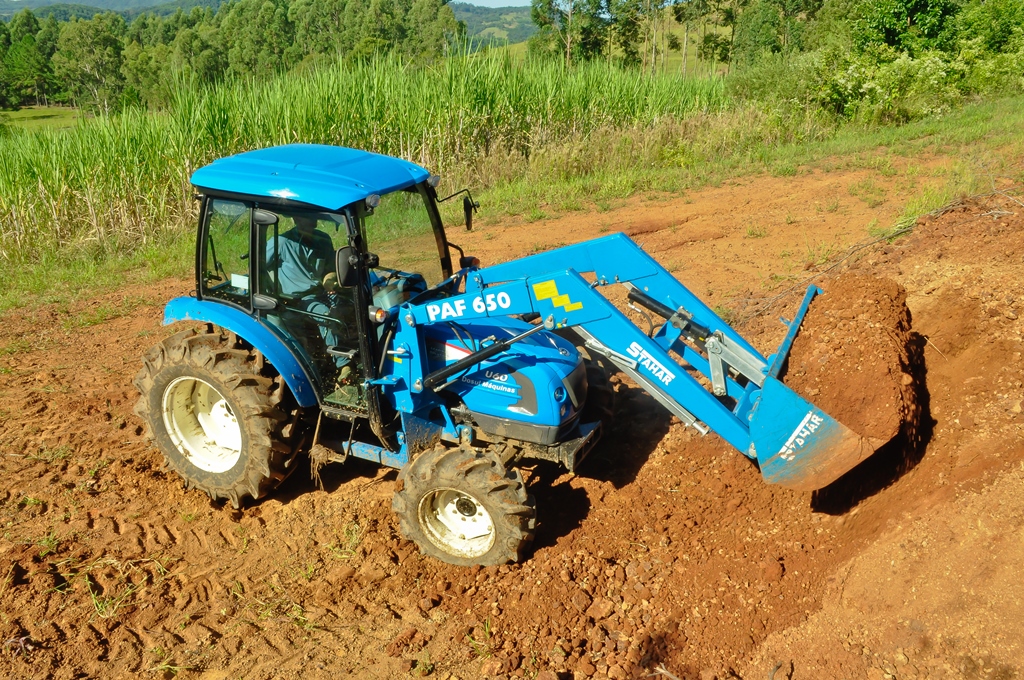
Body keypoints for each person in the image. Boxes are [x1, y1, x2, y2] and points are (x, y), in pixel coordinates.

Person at [265, 215, 357, 388]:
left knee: (354, 306)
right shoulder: (282, 242)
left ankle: (362, 353)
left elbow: (330, 270)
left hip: (322, 291)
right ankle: (343, 365)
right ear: (296, 219)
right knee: (327, 316)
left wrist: (330, 279)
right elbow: (258, 264)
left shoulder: (323, 239)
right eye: (306, 217)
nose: (311, 221)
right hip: (297, 299)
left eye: (311, 216)